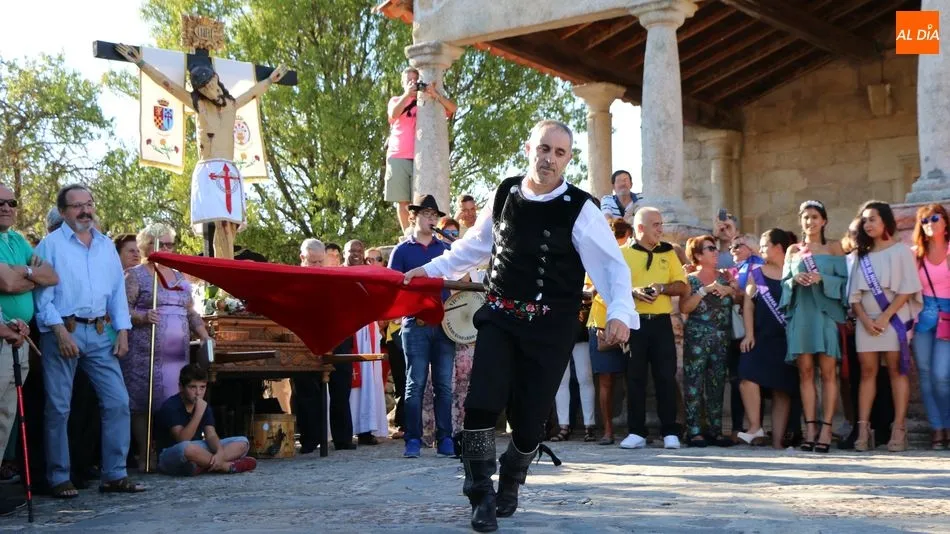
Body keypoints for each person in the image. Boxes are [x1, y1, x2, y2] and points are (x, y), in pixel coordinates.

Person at [402, 120, 636, 532]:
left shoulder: (580, 208)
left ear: (568, 160)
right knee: (480, 404)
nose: (549, 159)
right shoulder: (505, 192)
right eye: (544, 148)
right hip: (500, 317)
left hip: (551, 327)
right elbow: (474, 246)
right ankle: (479, 491)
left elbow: (612, 267)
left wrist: (619, 311)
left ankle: (513, 474)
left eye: (560, 153)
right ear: (529, 147)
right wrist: (430, 269)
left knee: (529, 423)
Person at [114, 44, 289, 259]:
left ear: (217, 80)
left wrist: (271, 80)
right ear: (199, 90)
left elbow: (253, 93)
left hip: (229, 170)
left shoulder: (232, 105)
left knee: (230, 226)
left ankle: (227, 269)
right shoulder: (199, 105)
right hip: (209, 168)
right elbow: (167, 85)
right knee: (219, 224)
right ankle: (223, 271)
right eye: (204, 88)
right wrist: (141, 63)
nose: (211, 90)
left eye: (212, 85)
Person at [34, 184, 145, 497]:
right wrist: (58, 331)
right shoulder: (50, 245)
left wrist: (122, 330)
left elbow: (115, 294)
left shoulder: (106, 245)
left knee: (118, 402)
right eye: (76, 206)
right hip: (62, 330)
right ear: (64, 212)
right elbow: (42, 296)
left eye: (89, 204)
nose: (85, 211)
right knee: (58, 406)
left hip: (99, 332)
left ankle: (114, 475)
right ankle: (58, 477)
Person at [123, 223, 211, 471]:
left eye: (172, 243)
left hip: (176, 353)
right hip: (145, 350)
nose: (169, 248)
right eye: (164, 244)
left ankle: (171, 449)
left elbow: (190, 310)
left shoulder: (180, 276)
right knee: (143, 401)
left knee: (172, 398)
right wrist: (141, 317)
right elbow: (122, 310)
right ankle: (144, 452)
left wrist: (203, 334)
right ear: (148, 246)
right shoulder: (136, 275)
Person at [849, 201, 921, 452]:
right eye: (865, 220)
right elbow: (853, 296)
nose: (868, 224)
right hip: (866, 320)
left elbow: (907, 289)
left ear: (885, 222)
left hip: (893, 319)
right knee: (867, 373)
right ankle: (863, 428)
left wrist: (885, 317)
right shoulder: (861, 255)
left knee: (896, 372)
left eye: (873, 219)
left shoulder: (901, 252)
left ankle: (899, 429)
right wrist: (866, 320)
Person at [389, 195, 455, 459]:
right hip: (414, 325)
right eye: (426, 214)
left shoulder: (447, 249)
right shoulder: (402, 251)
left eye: (434, 215)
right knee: (414, 384)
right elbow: (393, 286)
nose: (431, 219)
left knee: (444, 385)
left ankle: (446, 439)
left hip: (444, 325)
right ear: (413, 216)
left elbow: (460, 279)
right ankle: (413, 440)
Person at [782, 200, 848, 454]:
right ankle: (810, 429)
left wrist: (824, 279)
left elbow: (845, 283)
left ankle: (827, 428)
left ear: (824, 221)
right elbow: (784, 284)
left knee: (828, 372)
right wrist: (794, 280)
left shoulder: (834, 248)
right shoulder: (793, 251)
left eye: (814, 217)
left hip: (826, 314)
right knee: (806, 372)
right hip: (802, 314)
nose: (810, 222)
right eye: (805, 217)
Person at [621, 207, 688, 451]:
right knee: (634, 378)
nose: (661, 229)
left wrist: (662, 288)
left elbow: (682, 286)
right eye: (656, 225)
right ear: (640, 228)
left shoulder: (668, 252)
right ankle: (636, 431)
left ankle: (670, 431)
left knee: (665, 376)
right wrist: (633, 292)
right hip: (634, 322)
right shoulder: (622, 254)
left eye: (661, 224)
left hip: (661, 322)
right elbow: (611, 287)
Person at [738, 229, 799, 449]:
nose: (761, 250)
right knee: (746, 376)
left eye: (765, 246)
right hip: (761, 336)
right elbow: (748, 304)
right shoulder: (757, 272)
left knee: (781, 390)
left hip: (787, 339)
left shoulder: (795, 272)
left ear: (779, 247)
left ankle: (777, 443)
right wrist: (749, 333)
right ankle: (755, 426)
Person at [679, 235, 736, 447]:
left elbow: (741, 297)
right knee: (693, 384)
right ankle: (694, 431)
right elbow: (684, 308)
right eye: (710, 248)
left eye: (715, 248)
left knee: (717, 384)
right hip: (696, 338)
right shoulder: (690, 279)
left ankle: (716, 431)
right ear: (697, 255)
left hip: (721, 339)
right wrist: (704, 290)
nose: (715, 252)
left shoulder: (726, 276)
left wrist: (729, 289)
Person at [385, 67, 457, 232]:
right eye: (408, 80)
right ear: (403, 82)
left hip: (421, 156)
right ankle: (406, 234)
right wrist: (407, 95)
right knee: (402, 200)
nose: (412, 83)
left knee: (419, 200)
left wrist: (435, 94)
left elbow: (452, 108)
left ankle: (420, 231)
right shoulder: (396, 100)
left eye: (415, 80)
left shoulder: (426, 102)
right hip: (398, 154)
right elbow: (393, 114)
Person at [155, 364, 256, 475]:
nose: (198, 392)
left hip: (198, 450)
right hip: (172, 453)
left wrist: (220, 452)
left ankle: (203, 465)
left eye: (202, 387)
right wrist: (198, 412)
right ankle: (225, 466)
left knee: (242, 442)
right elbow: (183, 439)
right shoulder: (171, 406)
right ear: (181, 387)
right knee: (186, 448)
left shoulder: (204, 406)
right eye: (192, 387)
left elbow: (211, 435)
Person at [911, 204, 950, 450]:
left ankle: (947, 423)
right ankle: (937, 428)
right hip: (922, 320)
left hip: (947, 320)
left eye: (935, 218)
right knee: (925, 375)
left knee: (941, 375)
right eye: (925, 220)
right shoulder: (915, 254)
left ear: (945, 222)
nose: (930, 223)